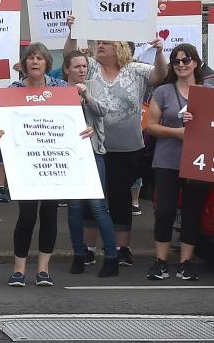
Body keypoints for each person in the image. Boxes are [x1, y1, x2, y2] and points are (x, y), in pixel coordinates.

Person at [64, 15, 166, 266]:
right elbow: (70, 55)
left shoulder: (135, 69)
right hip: (93, 146)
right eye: (99, 42)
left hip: (127, 147)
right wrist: (72, 30)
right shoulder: (90, 66)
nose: (100, 46)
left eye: (106, 43)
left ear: (119, 48)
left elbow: (160, 75)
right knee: (92, 197)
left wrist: (160, 51)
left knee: (120, 198)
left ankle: (123, 249)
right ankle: (88, 247)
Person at [0, 43, 90, 287]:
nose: (35, 62)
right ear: (25, 64)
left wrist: (84, 130)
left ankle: (44, 269)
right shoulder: (13, 89)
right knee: (26, 216)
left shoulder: (59, 89)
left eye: (40, 58)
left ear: (47, 63)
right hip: (25, 163)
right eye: (31, 58)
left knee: (49, 214)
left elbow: (74, 120)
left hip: (54, 161)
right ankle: (19, 269)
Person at [144, 43, 212, 281]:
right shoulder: (163, 91)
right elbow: (150, 126)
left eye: (186, 60)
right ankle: (160, 261)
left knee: (192, 213)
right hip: (167, 160)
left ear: (195, 62)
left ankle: (185, 263)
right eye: (176, 61)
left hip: (198, 162)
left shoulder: (208, 91)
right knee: (164, 211)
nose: (181, 65)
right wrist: (176, 132)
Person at [61, 50, 120, 278]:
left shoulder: (94, 87)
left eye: (84, 67)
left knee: (98, 207)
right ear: (67, 69)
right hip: (70, 157)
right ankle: (79, 255)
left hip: (93, 154)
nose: (81, 71)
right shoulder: (59, 90)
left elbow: (103, 111)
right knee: (74, 209)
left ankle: (112, 258)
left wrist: (86, 97)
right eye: (77, 67)